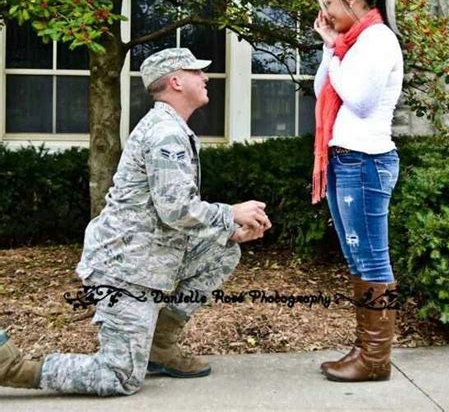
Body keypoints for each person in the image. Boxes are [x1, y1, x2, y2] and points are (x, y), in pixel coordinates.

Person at [0, 47, 271, 396]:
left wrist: (230, 230)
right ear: (175, 81)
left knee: (222, 250)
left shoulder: (172, 127)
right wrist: (230, 212)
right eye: (196, 72)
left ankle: (159, 345)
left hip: (148, 254)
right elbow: (175, 209)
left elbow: (167, 216)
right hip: (124, 267)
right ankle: (14, 367)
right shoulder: (165, 134)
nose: (205, 78)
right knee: (119, 377)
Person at [312, 0, 403, 382]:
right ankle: (365, 350)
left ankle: (375, 359)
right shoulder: (351, 43)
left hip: (364, 161)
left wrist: (335, 49)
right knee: (358, 258)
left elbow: (360, 100)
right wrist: (331, 45)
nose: (325, 13)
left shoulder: (377, 40)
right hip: (345, 159)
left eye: (329, 4)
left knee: (371, 260)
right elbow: (322, 89)